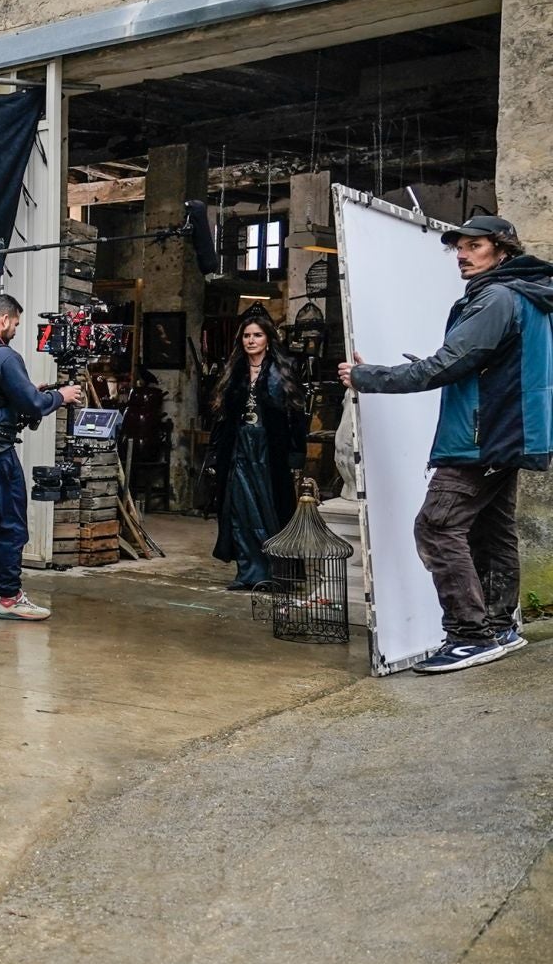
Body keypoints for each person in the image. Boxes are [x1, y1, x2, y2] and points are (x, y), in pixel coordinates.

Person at [341, 211, 553, 674]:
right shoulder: (525, 294)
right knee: (491, 530)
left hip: (485, 436)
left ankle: (469, 635)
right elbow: (483, 364)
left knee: (436, 526)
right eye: (459, 247)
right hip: (509, 431)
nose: (461, 254)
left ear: (503, 250)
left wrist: (366, 376)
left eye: (474, 246)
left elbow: (446, 366)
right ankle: (498, 627)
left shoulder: (496, 297)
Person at [0, 293, 83, 621]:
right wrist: (60, 396)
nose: (15, 331)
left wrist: (26, 391)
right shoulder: (4, 356)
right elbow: (32, 405)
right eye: (16, 324)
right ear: (4, 319)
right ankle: (10, 597)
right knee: (10, 524)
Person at [205, 312, 308, 591]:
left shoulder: (283, 369)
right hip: (238, 449)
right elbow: (221, 417)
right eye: (247, 335)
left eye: (257, 335)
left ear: (268, 339)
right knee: (240, 510)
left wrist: (296, 455)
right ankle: (248, 573)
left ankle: (278, 574)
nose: (251, 340)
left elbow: (297, 416)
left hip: (269, 451)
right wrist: (215, 452)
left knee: (270, 510)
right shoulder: (234, 371)